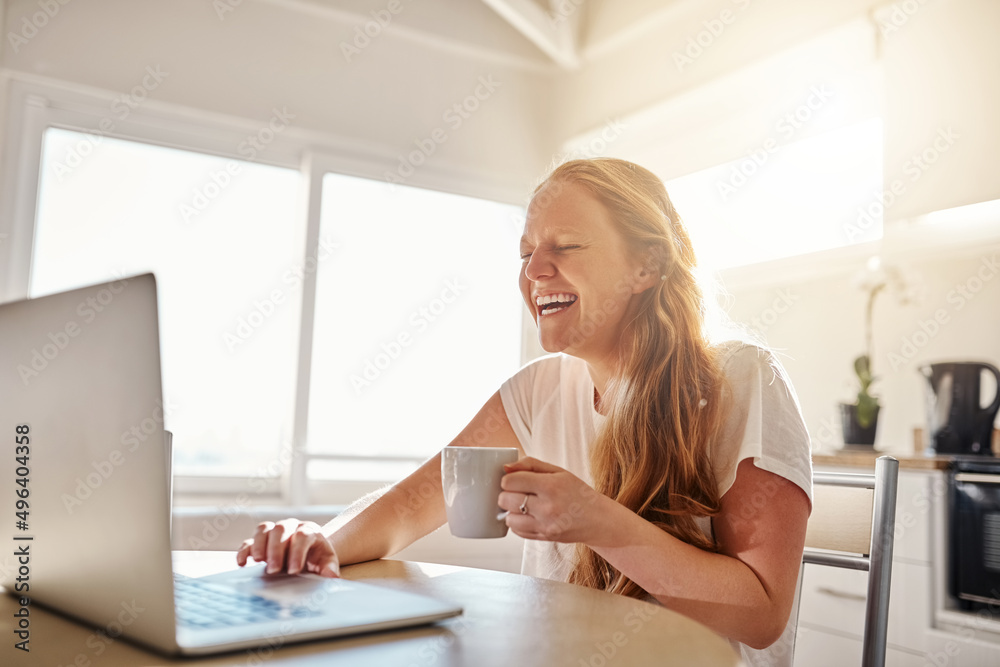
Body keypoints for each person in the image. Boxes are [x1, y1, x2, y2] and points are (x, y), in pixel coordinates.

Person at [236, 158, 812, 665]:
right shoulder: (538, 390)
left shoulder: (739, 378)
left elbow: (762, 614)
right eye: (526, 252)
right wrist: (320, 540)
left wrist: (596, 522)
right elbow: (410, 506)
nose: (534, 271)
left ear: (646, 267)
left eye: (565, 247)